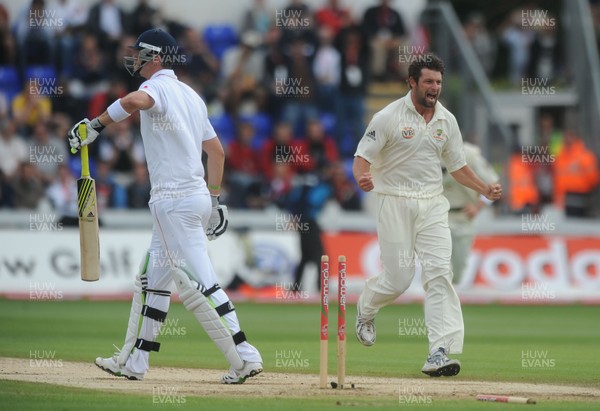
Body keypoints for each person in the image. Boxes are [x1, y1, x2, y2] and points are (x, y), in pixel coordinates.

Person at [67, 28, 263, 384]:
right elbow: (216, 152)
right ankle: (134, 361)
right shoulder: (192, 96)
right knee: (151, 280)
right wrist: (215, 200)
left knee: (199, 282)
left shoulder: (153, 89)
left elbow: (133, 103)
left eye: (141, 52)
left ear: (156, 56)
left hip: (172, 202)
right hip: (197, 197)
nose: (135, 58)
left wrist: (95, 126)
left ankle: (244, 356)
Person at [352, 54, 502, 377]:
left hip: (433, 204)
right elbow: (362, 157)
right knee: (399, 278)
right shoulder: (388, 116)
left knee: (439, 273)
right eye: (428, 82)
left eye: (438, 82)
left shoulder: (446, 121)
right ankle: (366, 308)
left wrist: (483, 189)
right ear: (412, 82)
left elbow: (459, 167)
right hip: (393, 201)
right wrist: (362, 178)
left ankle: (439, 351)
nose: (434, 88)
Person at [442, 141, 498, 287]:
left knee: (457, 274)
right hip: (436, 217)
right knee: (440, 271)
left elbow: (494, 184)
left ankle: (447, 300)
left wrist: (478, 206)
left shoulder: (470, 154)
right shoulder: (425, 151)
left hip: (463, 218)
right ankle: (439, 307)